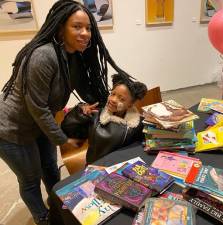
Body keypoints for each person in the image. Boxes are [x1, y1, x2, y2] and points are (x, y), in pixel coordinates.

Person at [0, 1, 130, 224]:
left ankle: (57, 207)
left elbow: (88, 92)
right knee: (30, 179)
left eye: (88, 28)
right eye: (77, 27)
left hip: (41, 124)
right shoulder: (43, 56)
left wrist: (118, 101)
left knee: (50, 169)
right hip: (12, 129)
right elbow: (38, 108)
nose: (85, 33)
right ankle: (43, 218)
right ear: (61, 28)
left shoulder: (74, 58)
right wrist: (63, 139)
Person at [62, 73, 147, 164]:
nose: (113, 100)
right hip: (96, 168)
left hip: (122, 169)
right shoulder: (96, 115)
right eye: (112, 94)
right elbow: (68, 130)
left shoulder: (138, 124)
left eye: (121, 99)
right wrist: (80, 115)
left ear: (130, 104)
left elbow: (144, 147)